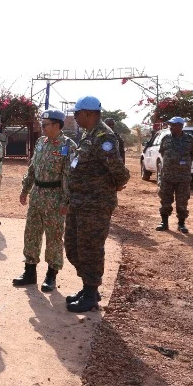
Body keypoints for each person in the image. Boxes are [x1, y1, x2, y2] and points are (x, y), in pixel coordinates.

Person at [64, 96, 130, 312]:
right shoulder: (88, 135)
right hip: (78, 202)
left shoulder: (104, 137)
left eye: (77, 113)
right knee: (73, 248)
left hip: (95, 205)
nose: (75, 116)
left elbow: (119, 172)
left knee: (90, 249)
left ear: (89, 113)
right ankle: (88, 286)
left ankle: (91, 293)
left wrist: (115, 186)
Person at [13, 109, 76, 292]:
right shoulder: (41, 142)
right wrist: (25, 189)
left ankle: (51, 275)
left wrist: (66, 202)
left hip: (55, 197)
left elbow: (68, 176)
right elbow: (32, 168)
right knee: (31, 234)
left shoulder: (67, 146)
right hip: (37, 195)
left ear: (57, 125)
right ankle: (29, 272)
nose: (42, 127)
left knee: (54, 237)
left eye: (45, 124)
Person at [155, 116, 193, 233]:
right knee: (165, 199)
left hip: (183, 177)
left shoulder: (190, 139)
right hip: (167, 176)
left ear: (180, 126)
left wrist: (183, 164)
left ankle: (181, 224)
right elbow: (163, 153)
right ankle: (164, 222)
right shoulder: (166, 138)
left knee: (182, 201)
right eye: (171, 125)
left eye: (174, 125)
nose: (171, 127)